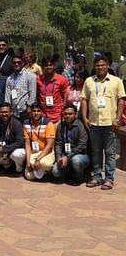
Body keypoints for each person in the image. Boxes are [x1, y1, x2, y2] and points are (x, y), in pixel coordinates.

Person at [82, 55, 125, 190]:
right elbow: (84, 100)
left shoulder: (116, 81)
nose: (100, 67)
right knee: (96, 152)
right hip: (94, 123)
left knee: (110, 153)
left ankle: (109, 179)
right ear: (94, 67)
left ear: (107, 66)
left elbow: (121, 100)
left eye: (103, 65)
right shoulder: (89, 81)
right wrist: (85, 118)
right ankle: (97, 177)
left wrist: (118, 119)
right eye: (98, 65)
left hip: (110, 123)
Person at [52, 104, 89, 185]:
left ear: (75, 114)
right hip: (65, 155)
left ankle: (79, 178)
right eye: (65, 114)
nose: (67, 116)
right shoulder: (61, 125)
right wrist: (58, 157)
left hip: (80, 155)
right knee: (55, 172)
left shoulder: (80, 125)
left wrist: (67, 157)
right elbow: (58, 143)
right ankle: (69, 174)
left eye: (70, 114)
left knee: (76, 161)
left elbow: (82, 145)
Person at [20, 103, 56, 181]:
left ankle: (47, 172)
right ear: (31, 112)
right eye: (34, 111)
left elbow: (50, 144)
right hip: (34, 152)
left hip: (47, 152)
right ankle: (41, 172)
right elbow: (27, 144)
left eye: (38, 111)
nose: (36, 113)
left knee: (45, 164)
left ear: (42, 112)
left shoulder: (48, 123)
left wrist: (38, 159)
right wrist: (28, 162)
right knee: (28, 176)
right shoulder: (26, 123)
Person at [0, 103, 25, 174]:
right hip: (1, 149)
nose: (4, 114)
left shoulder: (16, 123)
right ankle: (7, 167)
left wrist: (5, 149)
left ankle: (19, 170)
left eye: (6, 112)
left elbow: (20, 142)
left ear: (11, 112)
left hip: (12, 149)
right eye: (2, 112)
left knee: (17, 155)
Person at [37, 56, 70, 126]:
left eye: (50, 65)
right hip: (43, 116)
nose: (48, 67)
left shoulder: (62, 79)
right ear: (43, 67)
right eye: (46, 65)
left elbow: (65, 96)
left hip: (57, 116)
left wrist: (64, 111)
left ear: (54, 66)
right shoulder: (38, 79)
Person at [5, 55, 36, 123]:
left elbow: (32, 93)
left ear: (23, 63)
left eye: (19, 62)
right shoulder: (9, 78)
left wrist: (29, 106)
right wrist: (8, 109)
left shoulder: (30, 76)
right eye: (14, 62)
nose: (16, 64)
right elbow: (7, 95)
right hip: (14, 112)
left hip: (25, 111)